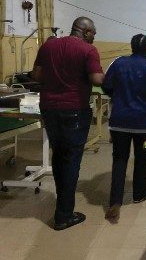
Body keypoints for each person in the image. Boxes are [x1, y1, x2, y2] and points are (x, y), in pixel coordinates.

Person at [31, 17, 104, 230]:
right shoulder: (88, 50)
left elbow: (37, 75)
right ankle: (64, 215)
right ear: (86, 31)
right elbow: (97, 79)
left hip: (49, 109)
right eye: (94, 33)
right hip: (74, 109)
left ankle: (62, 204)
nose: (94, 37)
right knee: (71, 160)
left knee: (59, 155)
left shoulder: (49, 45)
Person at [101, 34, 146, 224]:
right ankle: (138, 195)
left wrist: (119, 99)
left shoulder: (117, 63)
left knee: (119, 160)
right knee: (141, 158)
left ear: (131, 46)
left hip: (119, 120)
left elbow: (106, 86)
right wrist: (143, 104)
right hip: (142, 121)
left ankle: (115, 201)